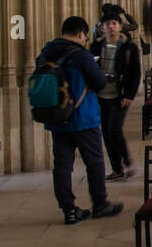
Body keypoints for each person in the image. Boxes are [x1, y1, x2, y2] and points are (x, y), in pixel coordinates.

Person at [36, 17, 125, 224]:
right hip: (83, 117)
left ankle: (69, 210)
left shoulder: (46, 52)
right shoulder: (81, 55)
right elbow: (99, 81)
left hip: (57, 117)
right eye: (85, 36)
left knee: (62, 166)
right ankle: (100, 204)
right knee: (94, 162)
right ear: (80, 34)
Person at [90, 13, 141, 181]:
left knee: (115, 129)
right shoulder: (96, 47)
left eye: (114, 23)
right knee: (106, 132)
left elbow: (135, 73)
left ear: (120, 26)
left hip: (119, 95)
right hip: (100, 95)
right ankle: (117, 169)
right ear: (102, 27)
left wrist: (129, 95)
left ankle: (127, 162)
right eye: (107, 24)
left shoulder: (129, 48)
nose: (111, 27)